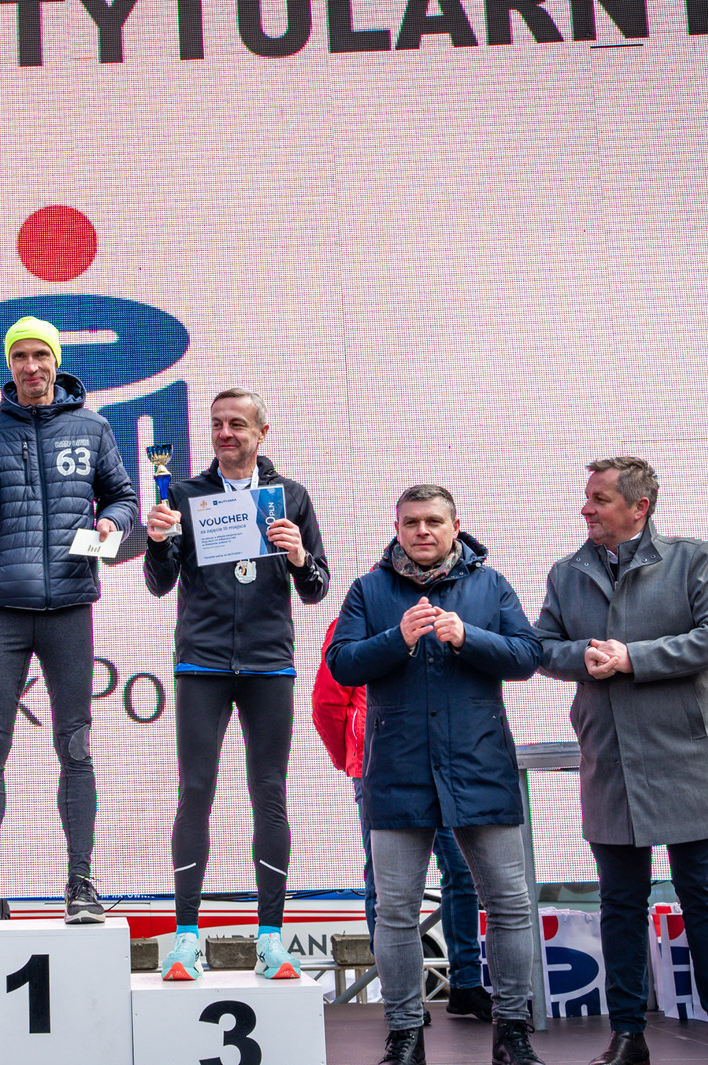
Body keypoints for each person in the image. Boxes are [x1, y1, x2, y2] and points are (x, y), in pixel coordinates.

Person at [534, 457, 708, 1065]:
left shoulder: (693, 559)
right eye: (587, 497)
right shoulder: (566, 573)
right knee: (620, 905)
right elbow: (542, 647)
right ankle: (628, 1036)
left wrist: (633, 657)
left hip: (685, 757)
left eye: (600, 498)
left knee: (706, 899)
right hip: (609, 757)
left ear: (639, 508)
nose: (586, 508)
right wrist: (582, 657)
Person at [0, 315, 139, 925]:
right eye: (20, 357)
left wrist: (113, 523)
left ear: (55, 362)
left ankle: (81, 884)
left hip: (70, 607)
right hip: (4, 609)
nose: (31, 366)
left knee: (75, 747)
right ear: (9, 366)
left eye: (39, 356)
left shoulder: (93, 427)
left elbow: (124, 497)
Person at [326, 485, 542, 1065]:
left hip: (480, 766)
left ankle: (512, 1032)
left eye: (433, 521)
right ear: (397, 528)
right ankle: (404, 1035)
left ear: (454, 526)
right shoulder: (369, 589)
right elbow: (341, 663)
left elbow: (528, 656)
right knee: (395, 911)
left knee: (510, 905)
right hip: (398, 771)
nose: (422, 531)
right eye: (411, 522)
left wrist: (469, 637)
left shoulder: (490, 585)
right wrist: (396, 639)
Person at [142, 388, 329, 980]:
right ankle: (185, 939)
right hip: (201, 663)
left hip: (269, 664)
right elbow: (159, 583)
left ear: (261, 432)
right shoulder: (184, 494)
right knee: (195, 791)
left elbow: (317, 588)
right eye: (218, 424)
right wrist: (157, 542)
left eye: (238, 424)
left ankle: (270, 939)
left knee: (268, 793)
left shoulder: (291, 497)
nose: (226, 433)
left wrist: (298, 557)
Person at [312, 618, 494, 1022]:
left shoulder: (445, 618)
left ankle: (466, 983)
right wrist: (353, 757)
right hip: (382, 767)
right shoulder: (354, 621)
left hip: (446, 764)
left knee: (462, 870)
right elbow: (326, 702)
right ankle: (402, 995)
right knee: (387, 881)